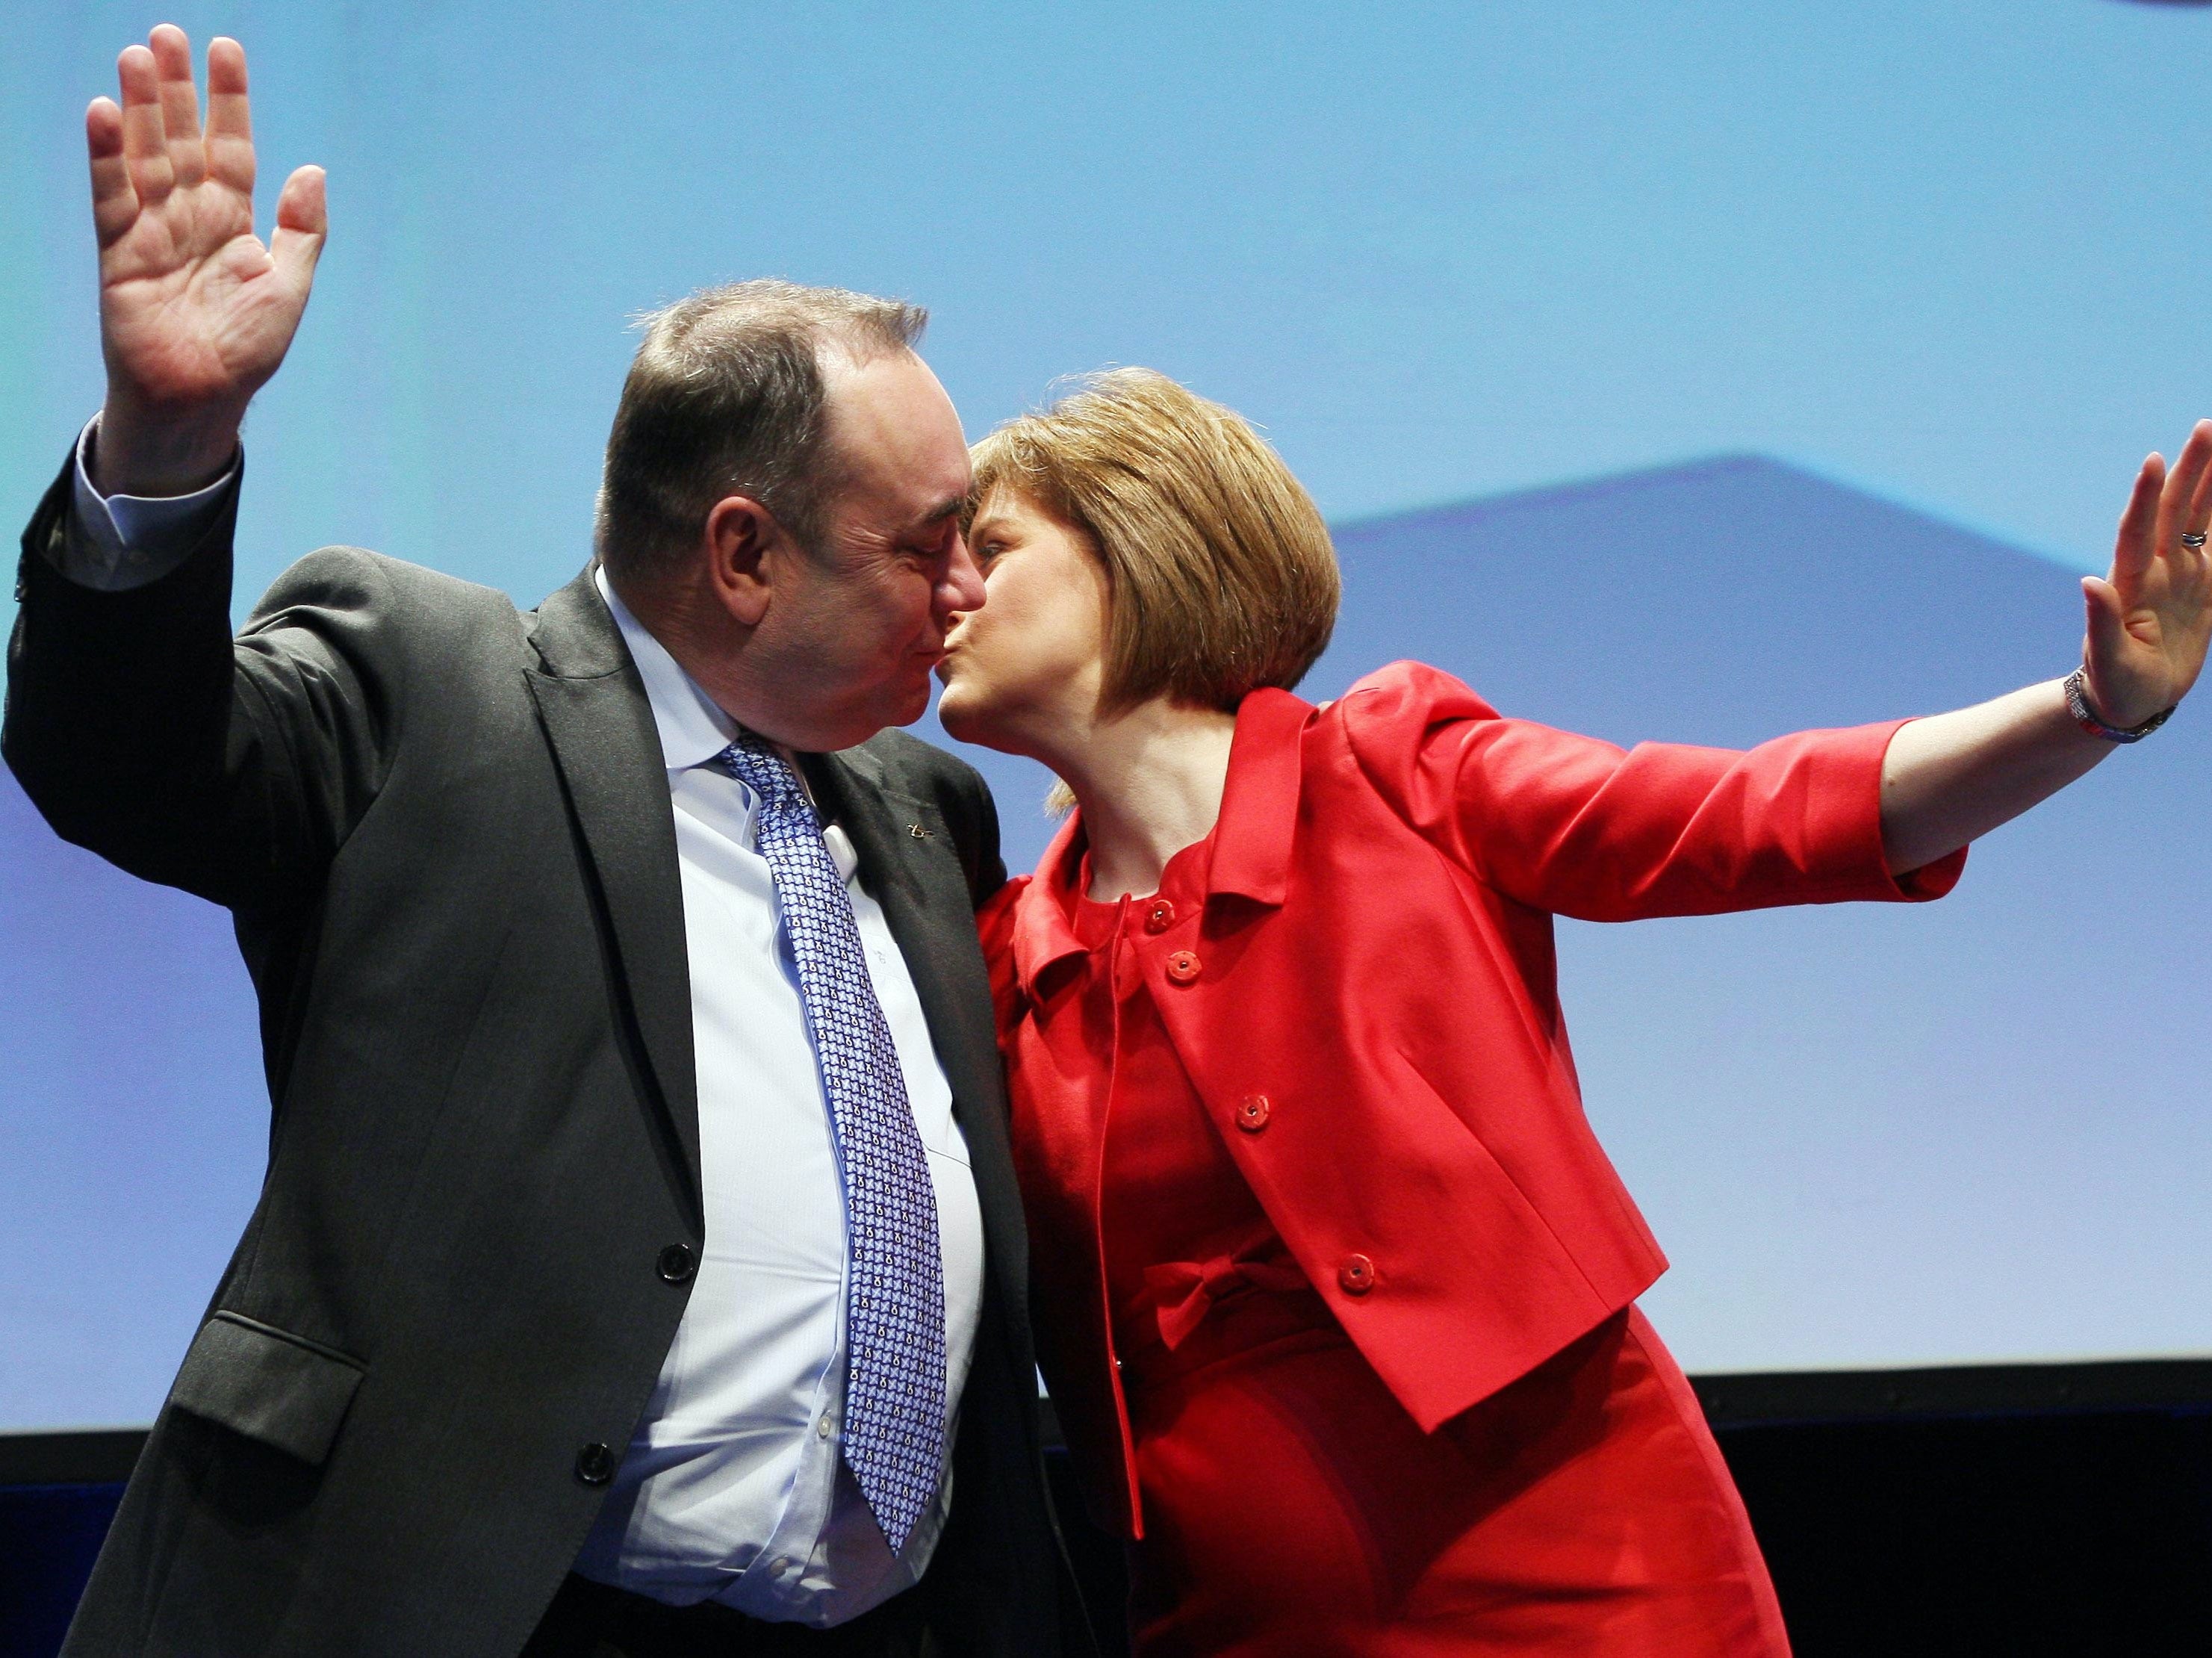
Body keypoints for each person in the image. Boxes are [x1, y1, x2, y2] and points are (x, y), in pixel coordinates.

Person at [4, 28, 1079, 1658]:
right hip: (480, 1617)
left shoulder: (930, 813)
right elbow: (121, 766)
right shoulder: (423, 682)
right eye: (925, 545)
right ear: (742, 555)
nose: (962, 593)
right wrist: (161, 452)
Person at [933, 367, 2212, 1656]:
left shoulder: (1390, 769)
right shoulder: (997, 958)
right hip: (1231, 1614)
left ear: (1141, 545)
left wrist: (2092, 707)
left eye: (988, 547)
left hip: (1576, 1571)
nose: (949, 592)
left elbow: (1757, 815)